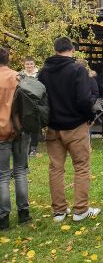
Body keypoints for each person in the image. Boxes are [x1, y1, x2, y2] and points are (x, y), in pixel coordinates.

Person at [38, 37, 101, 222]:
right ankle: (80, 210)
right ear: (72, 50)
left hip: (53, 127)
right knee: (81, 167)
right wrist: (89, 117)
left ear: (55, 49)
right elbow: (83, 99)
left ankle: (59, 211)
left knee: (56, 169)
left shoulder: (44, 72)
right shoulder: (77, 69)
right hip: (75, 126)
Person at [0, 48, 32, 230]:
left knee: (2, 176)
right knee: (20, 171)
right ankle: (23, 213)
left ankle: (3, 217)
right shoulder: (19, 77)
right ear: (8, 59)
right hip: (20, 129)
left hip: (1, 131)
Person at [20, 57, 40, 156]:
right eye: (27, 64)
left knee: (35, 125)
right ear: (24, 65)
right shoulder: (21, 75)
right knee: (25, 126)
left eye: (31, 64)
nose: (29, 66)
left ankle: (33, 148)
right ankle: (25, 148)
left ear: (34, 64)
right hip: (24, 103)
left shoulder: (39, 75)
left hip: (36, 102)